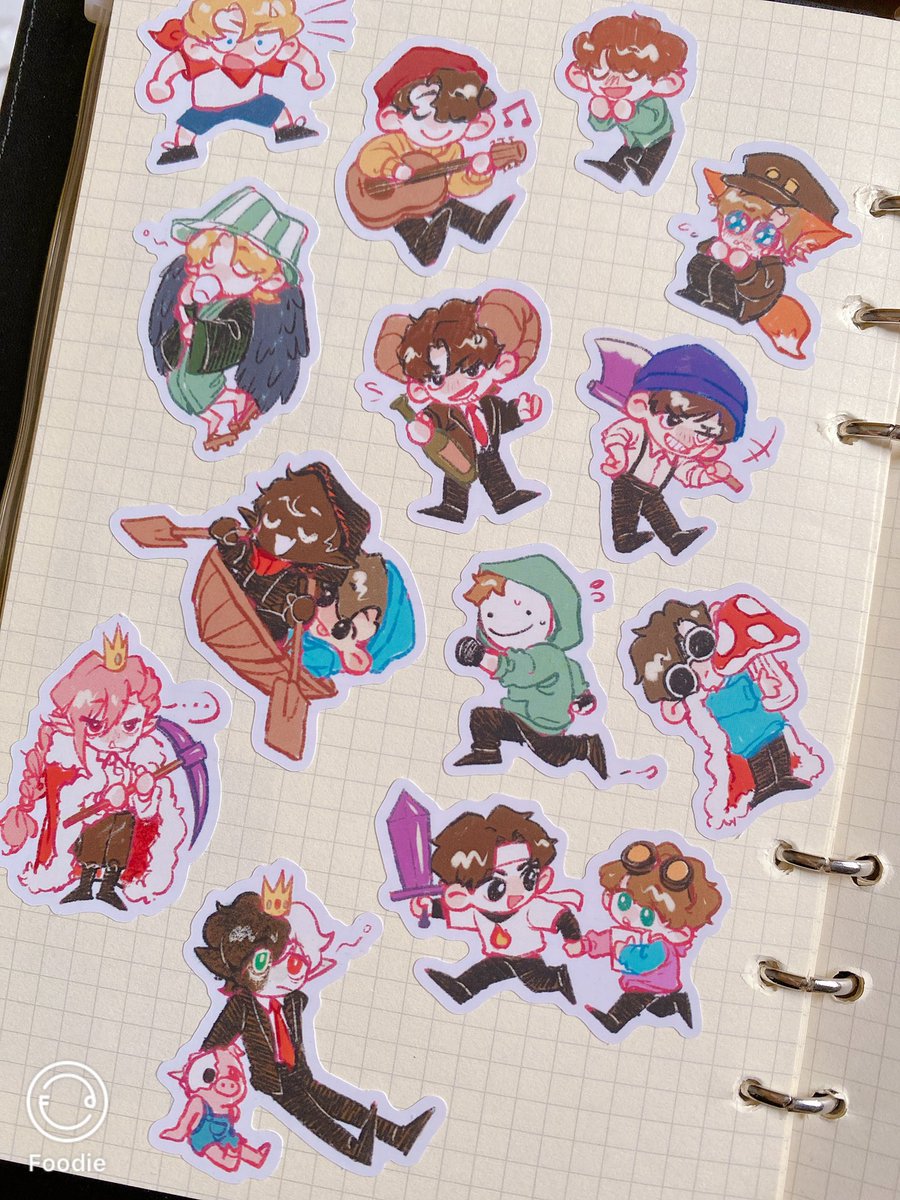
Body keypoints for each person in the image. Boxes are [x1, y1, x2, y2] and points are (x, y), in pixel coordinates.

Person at [196, 882, 435, 1167]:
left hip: (300, 1072)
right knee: (315, 1116)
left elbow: (323, 964)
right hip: (274, 1082)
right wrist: (216, 1074)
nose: (289, 970)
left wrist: (351, 942)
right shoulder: (242, 1005)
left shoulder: (293, 1001)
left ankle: (396, 1135)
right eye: (265, 963)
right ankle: (353, 1149)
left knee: (338, 1103)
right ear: (241, 972)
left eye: (290, 958)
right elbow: (212, 1047)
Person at [372, 290, 544, 523]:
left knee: (496, 472)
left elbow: (503, 418)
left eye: (471, 370)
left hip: (487, 451)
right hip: (457, 453)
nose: (456, 384)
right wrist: (423, 432)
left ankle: (506, 498)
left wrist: (520, 412)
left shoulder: (489, 404)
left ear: (498, 364)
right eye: (437, 379)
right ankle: (453, 509)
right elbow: (430, 427)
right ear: (419, 388)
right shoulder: (441, 411)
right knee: (456, 482)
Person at [350, 46, 516, 267]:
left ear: (476, 125)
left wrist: (477, 173)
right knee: (408, 212)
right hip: (374, 194)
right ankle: (422, 244)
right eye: (422, 115)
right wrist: (394, 168)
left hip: (425, 198)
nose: (436, 127)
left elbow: (455, 186)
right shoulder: (396, 142)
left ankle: (479, 225)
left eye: (453, 119)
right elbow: (370, 157)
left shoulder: (452, 152)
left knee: (439, 197)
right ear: (392, 118)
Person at [452, 554, 607, 781]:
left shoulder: (544, 654)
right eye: (491, 615)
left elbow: (518, 669)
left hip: (542, 723)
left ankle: (585, 746)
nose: (504, 624)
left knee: (554, 756)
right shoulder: (554, 656)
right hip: (519, 716)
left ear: (552, 616)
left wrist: (480, 658)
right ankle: (486, 752)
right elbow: (573, 670)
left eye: (526, 612)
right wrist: (582, 696)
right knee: (483, 717)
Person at [411, 805, 583, 1006]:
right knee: (484, 972)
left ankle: (560, 978)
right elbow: (449, 912)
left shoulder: (530, 909)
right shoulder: (478, 913)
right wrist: (428, 907)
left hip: (527, 958)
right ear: (460, 896)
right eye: (496, 887)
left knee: (538, 983)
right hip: (500, 956)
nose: (516, 892)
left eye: (528, 877)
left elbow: (561, 917)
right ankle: (462, 988)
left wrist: (573, 938)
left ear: (542, 878)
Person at [597, 343, 747, 557]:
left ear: (714, 444)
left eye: (704, 432)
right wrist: (618, 456)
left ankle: (675, 538)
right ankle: (624, 537)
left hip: (653, 490)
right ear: (640, 406)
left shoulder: (680, 457)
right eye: (673, 420)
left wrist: (709, 475)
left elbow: (688, 474)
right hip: (627, 482)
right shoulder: (638, 431)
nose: (687, 438)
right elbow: (619, 435)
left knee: (659, 512)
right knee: (625, 510)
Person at [566, 839, 722, 1034]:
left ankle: (614, 1020)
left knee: (631, 1003)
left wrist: (623, 952)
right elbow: (608, 939)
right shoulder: (630, 932)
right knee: (657, 1008)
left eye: (647, 915)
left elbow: (645, 961)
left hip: (652, 984)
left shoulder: (661, 944)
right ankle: (675, 1003)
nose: (630, 916)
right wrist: (585, 945)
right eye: (624, 901)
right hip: (640, 983)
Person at [144, 0, 324, 166]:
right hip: (206, 108)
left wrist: (311, 72)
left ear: (284, 46)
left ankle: (287, 132)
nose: (244, 50)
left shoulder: (276, 53)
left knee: (278, 112)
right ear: (197, 45)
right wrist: (161, 82)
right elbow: (175, 62)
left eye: (261, 42)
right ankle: (182, 150)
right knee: (187, 129)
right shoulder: (200, 57)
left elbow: (299, 55)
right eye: (228, 41)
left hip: (252, 102)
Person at [563, 12, 689, 187]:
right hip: (632, 141)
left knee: (648, 163)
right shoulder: (612, 101)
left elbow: (652, 123)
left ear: (663, 81)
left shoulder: (654, 101)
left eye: (631, 74)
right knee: (625, 155)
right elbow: (601, 127)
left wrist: (631, 113)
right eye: (600, 72)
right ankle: (614, 169)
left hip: (659, 141)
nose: (613, 80)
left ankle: (645, 173)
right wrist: (600, 114)